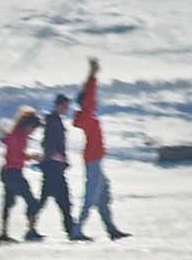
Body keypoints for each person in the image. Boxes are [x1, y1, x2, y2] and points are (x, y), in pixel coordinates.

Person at [74, 57, 131, 241]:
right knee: (91, 196)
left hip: (95, 159)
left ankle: (111, 229)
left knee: (103, 196)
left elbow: (88, 94)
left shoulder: (86, 114)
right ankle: (77, 229)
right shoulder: (87, 113)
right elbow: (90, 92)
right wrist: (93, 73)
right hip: (93, 160)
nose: (95, 101)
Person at [30, 91, 85, 241]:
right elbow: (49, 145)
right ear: (59, 105)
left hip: (55, 168)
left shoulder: (55, 120)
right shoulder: (53, 122)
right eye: (65, 106)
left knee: (63, 200)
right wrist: (59, 157)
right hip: (52, 169)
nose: (67, 109)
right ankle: (32, 228)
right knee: (50, 200)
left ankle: (70, 230)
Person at [0, 107, 41, 245]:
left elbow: (7, 141)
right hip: (13, 172)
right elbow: (16, 155)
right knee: (32, 202)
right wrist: (31, 156)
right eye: (33, 128)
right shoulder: (20, 136)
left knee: (8, 203)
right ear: (28, 125)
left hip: (8, 172)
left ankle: (3, 233)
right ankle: (31, 231)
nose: (33, 131)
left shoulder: (15, 134)